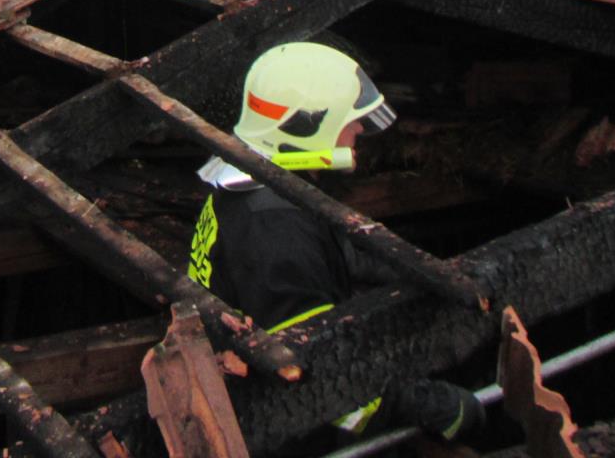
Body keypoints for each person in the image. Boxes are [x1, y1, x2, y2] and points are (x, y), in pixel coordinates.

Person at [188, 41, 482, 446]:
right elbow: (318, 382)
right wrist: (426, 404)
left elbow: (326, 254)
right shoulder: (275, 230)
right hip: (281, 436)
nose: (359, 129)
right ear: (307, 126)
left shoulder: (253, 186)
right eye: (350, 119)